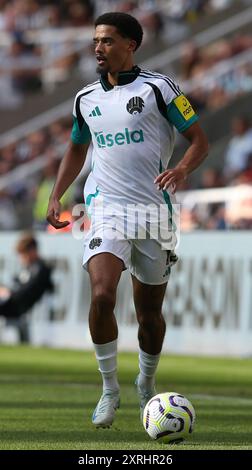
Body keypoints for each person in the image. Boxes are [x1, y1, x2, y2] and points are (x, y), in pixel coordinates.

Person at [46, 12, 209, 427]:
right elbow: (77, 148)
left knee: (149, 313)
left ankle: (145, 382)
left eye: (107, 40)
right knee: (101, 295)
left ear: (130, 45)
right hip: (104, 208)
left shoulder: (160, 89)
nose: (98, 48)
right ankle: (109, 388)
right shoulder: (86, 98)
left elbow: (200, 139)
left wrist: (183, 169)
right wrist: (57, 193)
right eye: (96, 40)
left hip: (154, 212)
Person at [0, 233, 53, 340]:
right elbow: (17, 283)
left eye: (23, 255)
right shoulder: (29, 269)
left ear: (32, 251)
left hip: (16, 306)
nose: (22, 259)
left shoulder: (41, 269)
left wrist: (8, 293)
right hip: (12, 303)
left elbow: (26, 291)